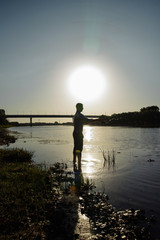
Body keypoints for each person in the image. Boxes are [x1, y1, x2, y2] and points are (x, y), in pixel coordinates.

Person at [73, 103, 98, 171]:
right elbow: (88, 120)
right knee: (79, 148)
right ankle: (79, 163)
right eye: (82, 107)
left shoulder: (76, 115)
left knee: (76, 147)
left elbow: (85, 122)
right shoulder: (79, 115)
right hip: (78, 134)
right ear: (78, 107)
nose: (83, 108)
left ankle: (75, 161)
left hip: (76, 133)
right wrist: (98, 120)